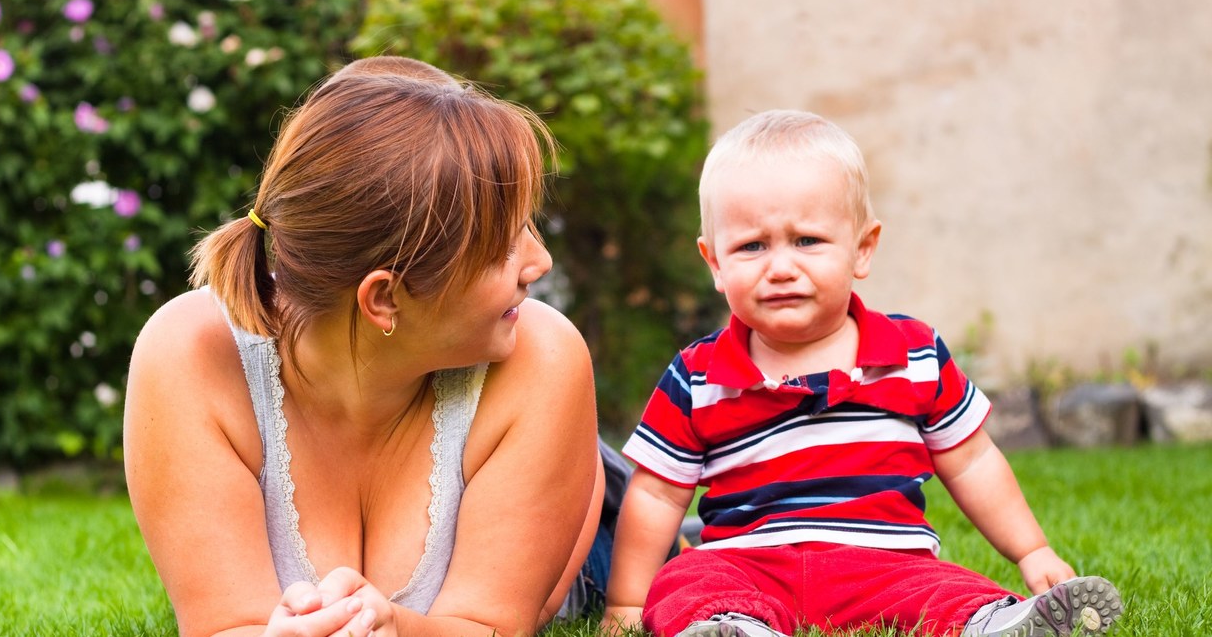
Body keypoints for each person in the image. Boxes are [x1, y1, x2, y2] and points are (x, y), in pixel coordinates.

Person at [124, 56, 608, 637]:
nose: (540, 263)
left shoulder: (543, 356)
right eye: (503, 247)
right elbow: (225, 625)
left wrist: (396, 626)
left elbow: (492, 625)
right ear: (384, 298)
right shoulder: (192, 355)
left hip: (568, 487)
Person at [599, 110, 1124, 637]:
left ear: (862, 248)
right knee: (689, 576)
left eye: (807, 241)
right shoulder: (697, 375)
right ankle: (733, 626)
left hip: (886, 563)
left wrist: (1031, 550)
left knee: (945, 588)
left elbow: (971, 463)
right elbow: (656, 495)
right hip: (750, 565)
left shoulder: (914, 354)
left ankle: (993, 621)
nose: (780, 267)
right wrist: (625, 602)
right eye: (751, 246)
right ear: (715, 263)